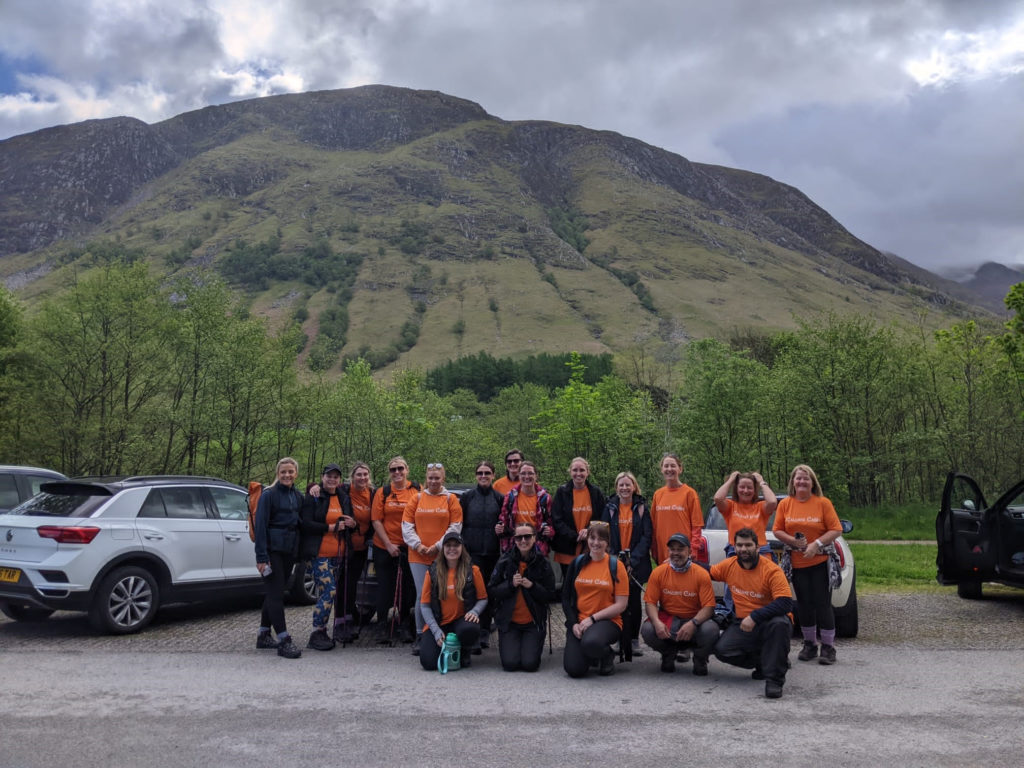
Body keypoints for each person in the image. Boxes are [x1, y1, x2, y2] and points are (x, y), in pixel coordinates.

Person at [710, 527, 794, 698]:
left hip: (770, 621)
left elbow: (785, 603)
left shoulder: (771, 570)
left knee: (780, 624)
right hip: (742, 622)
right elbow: (708, 571)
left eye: (748, 545)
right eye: (739, 545)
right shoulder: (730, 565)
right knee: (722, 650)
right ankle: (766, 661)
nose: (743, 549)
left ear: (757, 547)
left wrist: (755, 616)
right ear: (734, 548)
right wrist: (683, 561)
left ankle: (774, 680)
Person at [773, 464, 843, 666]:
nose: (801, 482)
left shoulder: (823, 503)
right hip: (797, 563)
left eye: (806, 478)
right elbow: (778, 529)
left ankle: (828, 647)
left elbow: (836, 529)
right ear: (792, 483)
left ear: (813, 483)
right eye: (798, 478)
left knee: (823, 604)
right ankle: (810, 644)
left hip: (820, 562)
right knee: (804, 605)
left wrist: (817, 544)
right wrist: (793, 542)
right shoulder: (786, 504)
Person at [403, 462, 462, 652]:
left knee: (444, 594)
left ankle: (442, 631)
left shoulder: (451, 499)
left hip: (443, 555)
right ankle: (421, 634)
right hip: (418, 555)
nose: (433, 481)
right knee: (423, 595)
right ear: (426, 479)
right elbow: (406, 525)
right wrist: (418, 545)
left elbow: (455, 526)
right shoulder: (417, 498)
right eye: (430, 478)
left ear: (443, 479)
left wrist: (437, 546)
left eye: (437, 478)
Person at [641, 533, 718, 674]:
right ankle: (668, 653)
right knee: (648, 629)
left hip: (694, 621)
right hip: (670, 619)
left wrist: (693, 623)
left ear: (689, 551)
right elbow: (650, 602)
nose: (676, 553)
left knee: (711, 630)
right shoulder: (658, 572)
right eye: (672, 549)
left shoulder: (701, 574)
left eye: (680, 549)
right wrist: (657, 622)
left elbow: (709, 607)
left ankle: (700, 658)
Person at [562, 521, 629, 678]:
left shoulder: (616, 566)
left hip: (607, 621)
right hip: (580, 621)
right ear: (587, 539)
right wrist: (573, 624)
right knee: (574, 669)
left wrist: (592, 619)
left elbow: (621, 605)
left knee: (591, 642)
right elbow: (565, 598)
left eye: (601, 539)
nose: (596, 543)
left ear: (607, 542)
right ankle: (590, 654)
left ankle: (606, 655)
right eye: (592, 538)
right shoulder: (578, 563)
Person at [488, 523, 557, 672]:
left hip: (533, 623)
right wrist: (510, 585)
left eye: (527, 536)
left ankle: (529, 643)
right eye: (519, 537)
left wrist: (533, 586)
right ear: (514, 539)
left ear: (534, 538)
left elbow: (551, 594)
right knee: (510, 664)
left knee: (530, 665)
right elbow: (492, 590)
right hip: (510, 622)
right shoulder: (504, 561)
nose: (523, 540)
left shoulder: (543, 562)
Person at [253, 457, 305, 659]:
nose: (287, 475)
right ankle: (284, 640)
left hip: (289, 550)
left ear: (296, 474)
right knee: (276, 595)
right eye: (283, 472)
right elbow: (261, 526)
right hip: (272, 550)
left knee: (275, 591)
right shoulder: (269, 495)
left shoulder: (297, 495)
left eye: (291, 472)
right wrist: (261, 556)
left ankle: (264, 635)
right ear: (278, 473)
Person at [300, 463, 355, 651]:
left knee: (331, 593)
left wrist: (352, 523)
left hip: (339, 554)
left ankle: (323, 631)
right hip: (320, 553)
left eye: (336, 477)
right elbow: (306, 523)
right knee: (328, 591)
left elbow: (351, 520)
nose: (332, 479)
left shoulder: (343, 497)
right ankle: (317, 631)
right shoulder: (314, 496)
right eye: (329, 476)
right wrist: (330, 528)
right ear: (322, 477)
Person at [418, 531, 488, 671]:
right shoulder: (432, 572)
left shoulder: (473, 571)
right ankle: (447, 650)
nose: (452, 549)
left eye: (456, 545)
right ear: (442, 549)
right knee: (428, 663)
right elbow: (424, 606)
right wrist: (436, 631)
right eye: (448, 545)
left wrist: (474, 611)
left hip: (460, 623)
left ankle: (463, 651)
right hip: (439, 624)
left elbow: (483, 599)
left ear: (462, 548)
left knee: (470, 627)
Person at [602, 471, 652, 658]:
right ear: (616, 488)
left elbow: (647, 537)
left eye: (628, 485)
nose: (624, 488)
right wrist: (615, 559)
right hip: (614, 561)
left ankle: (633, 639)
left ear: (634, 487)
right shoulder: (610, 507)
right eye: (621, 485)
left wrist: (633, 560)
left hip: (636, 563)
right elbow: (603, 533)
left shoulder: (641, 508)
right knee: (615, 600)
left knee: (633, 601)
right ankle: (617, 637)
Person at [370, 456, 420, 643]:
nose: (397, 472)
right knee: (385, 587)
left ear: (407, 469)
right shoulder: (383, 492)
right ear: (389, 472)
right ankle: (383, 625)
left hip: (409, 546)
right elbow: (376, 520)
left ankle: (405, 624)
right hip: (384, 546)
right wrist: (389, 545)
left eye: (400, 468)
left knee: (408, 587)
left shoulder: (417, 489)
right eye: (393, 469)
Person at [458, 460, 505, 648]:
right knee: (472, 591)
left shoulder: (499, 498)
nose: (483, 476)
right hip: (472, 553)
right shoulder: (468, 497)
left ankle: (485, 630)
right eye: (480, 473)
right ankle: (472, 630)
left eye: (487, 473)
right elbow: (458, 525)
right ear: (476, 475)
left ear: (493, 475)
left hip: (492, 554)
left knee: (488, 591)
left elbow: (506, 524)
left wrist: (502, 529)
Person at [551, 457, 606, 578]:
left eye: (582, 470)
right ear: (570, 472)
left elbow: (602, 518)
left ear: (588, 472)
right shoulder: (562, 492)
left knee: (588, 582)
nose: (578, 473)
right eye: (575, 470)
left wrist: (589, 531)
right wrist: (575, 537)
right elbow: (556, 519)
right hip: (566, 547)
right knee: (569, 584)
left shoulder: (595, 492)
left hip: (590, 546)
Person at [650, 453, 704, 566]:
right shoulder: (658, 494)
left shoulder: (690, 493)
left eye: (673, 466)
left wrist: (692, 551)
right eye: (666, 466)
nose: (669, 469)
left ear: (680, 469)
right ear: (662, 469)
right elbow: (653, 526)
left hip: (683, 555)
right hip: (663, 554)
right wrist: (654, 550)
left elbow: (697, 527)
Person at [712, 470, 778, 559]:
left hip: (760, 552)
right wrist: (731, 480)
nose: (746, 491)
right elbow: (718, 498)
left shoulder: (760, 507)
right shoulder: (730, 506)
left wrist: (761, 482)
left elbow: (772, 502)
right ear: (736, 488)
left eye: (750, 487)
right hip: (737, 552)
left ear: (755, 490)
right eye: (742, 487)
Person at [496, 461, 554, 554]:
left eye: (530, 473)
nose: (527, 477)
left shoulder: (545, 498)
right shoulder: (510, 496)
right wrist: (500, 527)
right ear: (519, 475)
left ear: (536, 476)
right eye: (523, 473)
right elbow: (504, 520)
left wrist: (549, 530)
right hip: (515, 545)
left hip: (537, 546)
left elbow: (551, 522)